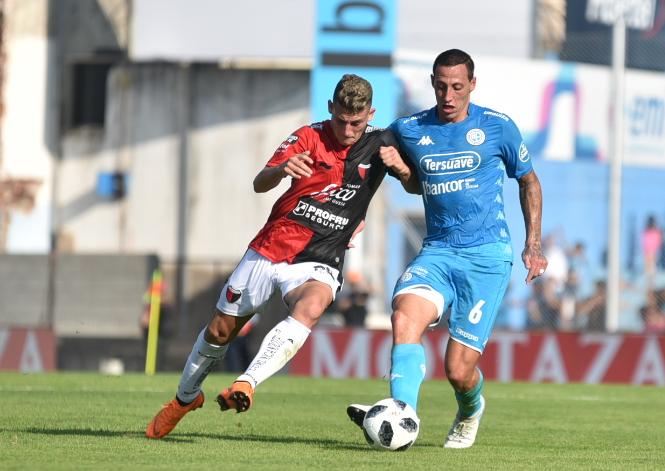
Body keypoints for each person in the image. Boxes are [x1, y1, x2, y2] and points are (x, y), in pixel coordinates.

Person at [145, 74, 415, 439]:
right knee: (219, 331)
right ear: (330, 109)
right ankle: (184, 399)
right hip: (271, 248)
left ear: (371, 114)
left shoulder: (383, 143)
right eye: (341, 120)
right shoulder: (307, 137)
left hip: (321, 256)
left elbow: (414, 184)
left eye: (357, 122)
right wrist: (281, 169)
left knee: (312, 306)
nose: (349, 130)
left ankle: (247, 383)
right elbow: (260, 182)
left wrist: (400, 169)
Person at [346, 49, 548, 449]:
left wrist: (534, 244)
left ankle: (470, 408)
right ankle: (401, 413)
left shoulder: (497, 127)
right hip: (438, 252)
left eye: (457, 86)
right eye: (441, 86)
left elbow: (529, 182)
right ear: (433, 85)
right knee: (404, 317)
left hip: (487, 257)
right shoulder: (410, 128)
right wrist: (394, 177)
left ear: (472, 84)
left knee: (458, 371)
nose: (448, 95)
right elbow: (407, 179)